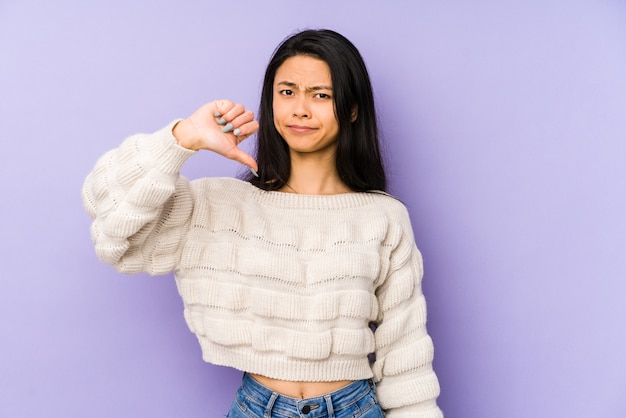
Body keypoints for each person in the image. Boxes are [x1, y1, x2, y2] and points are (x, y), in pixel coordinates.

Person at [82, 29, 443, 417]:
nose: (300, 109)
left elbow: (406, 357)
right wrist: (183, 138)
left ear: (352, 108)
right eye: (287, 92)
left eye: (320, 95)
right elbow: (113, 227)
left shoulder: (383, 217)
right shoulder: (218, 206)